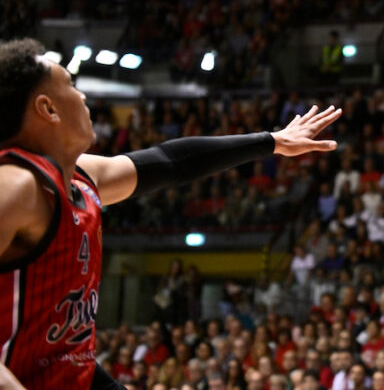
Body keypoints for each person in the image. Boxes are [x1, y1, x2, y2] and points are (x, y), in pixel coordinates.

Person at [0, 38, 343, 389]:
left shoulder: (80, 177)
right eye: (71, 86)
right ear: (49, 109)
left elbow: (168, 162)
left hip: (71, 373)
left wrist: (271, 141)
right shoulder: (14, 186)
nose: (84, 96)